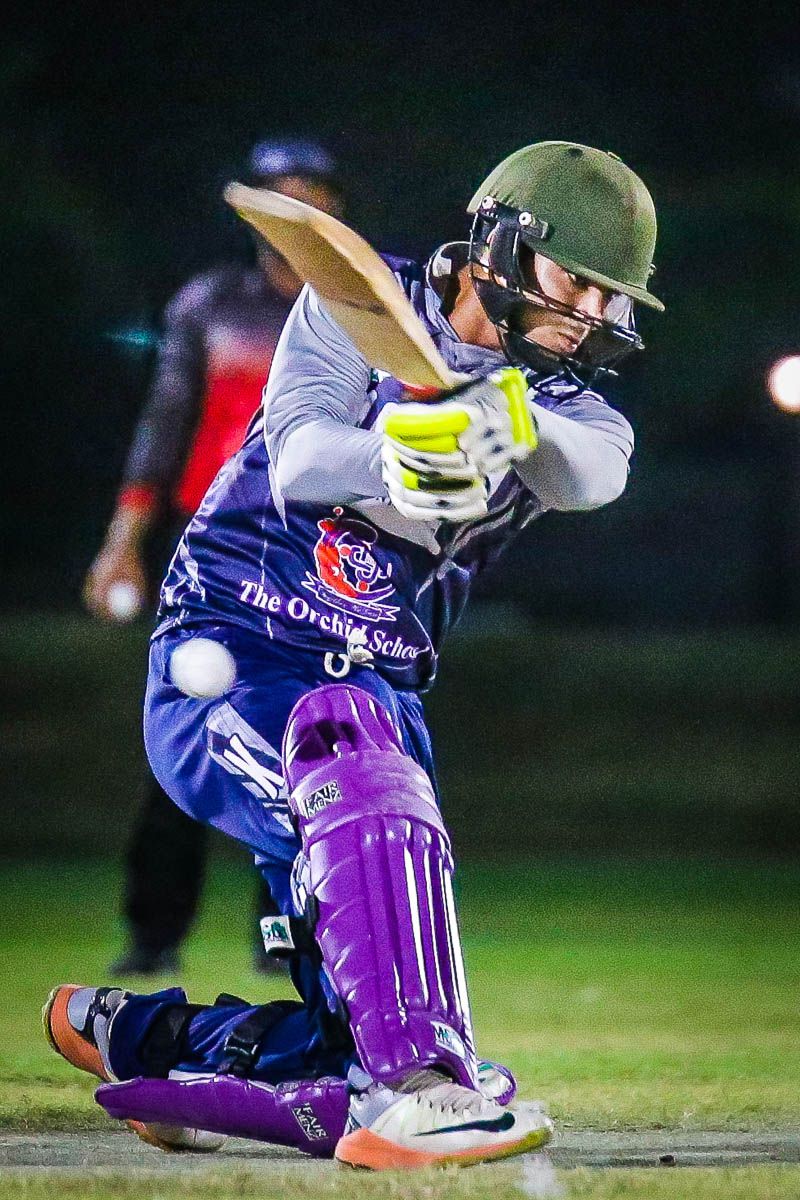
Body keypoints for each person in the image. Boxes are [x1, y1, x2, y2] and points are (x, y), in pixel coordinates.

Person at [48, 141, 663, 1169]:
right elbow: (298, 455)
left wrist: (502, 421)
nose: (591, 314)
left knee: (355, 1023)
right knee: (356, 765)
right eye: (576, 281)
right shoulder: (357, 303)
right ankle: (421, 1088)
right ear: (502, 249)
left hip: (380, 684)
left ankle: (155, 1042)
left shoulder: (566, 401)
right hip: (237, 646)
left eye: (611, 297)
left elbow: (591, 473)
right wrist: (397, 457)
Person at [83, 137, 345, 975]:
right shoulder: (211, 305)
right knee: (188, 736)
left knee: (306, 746)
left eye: (310, 195)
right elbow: (164, 426)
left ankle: (289, 938)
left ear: (335, 209)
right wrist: (123, 544)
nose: (294, 211)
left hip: (313, 551)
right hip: (209, 550)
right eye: (277, 195)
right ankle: (153, 933)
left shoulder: (360, 307)